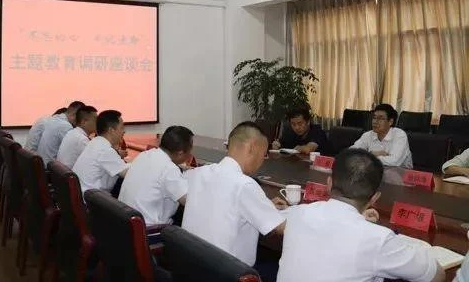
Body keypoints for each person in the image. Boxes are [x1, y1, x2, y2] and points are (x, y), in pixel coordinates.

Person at [277, 149, 444, 282]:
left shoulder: (298, 213)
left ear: (329, 183)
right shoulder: (378, 239)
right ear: (374, 198)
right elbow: (436, 275)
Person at [182, 121, 287, 277]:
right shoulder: (244, 185)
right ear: (252, 148)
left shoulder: (197, 173)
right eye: (264, 154)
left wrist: (264, 204)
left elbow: (220, 202)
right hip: (228, 274)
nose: (263, 160)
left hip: (191, 269)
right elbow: (280, 228)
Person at [118, 125, 193, 226]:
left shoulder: (145, 155)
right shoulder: (169, 169)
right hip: (149, 230)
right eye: (190, 150)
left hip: (125, 223)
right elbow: (190, 202)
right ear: (180, 153)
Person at [72, 110, 130, 194]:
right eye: (122, 127)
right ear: (111, 130)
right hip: (92, 199)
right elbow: (127, 174)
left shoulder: (95, 142)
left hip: (84, 194)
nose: (124, 131)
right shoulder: (104, 150)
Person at [351, 103, 413, 168]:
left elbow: (394, 161)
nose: (375, 121)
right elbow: (351, 153)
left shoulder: (400, 135)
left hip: (402, 171)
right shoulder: (368, 135)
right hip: (375, 170)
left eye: (380, 118)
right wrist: (372, 153)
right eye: (374, 117)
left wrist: (366, 156)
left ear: (390, 122)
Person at [37, 101, 85, 165]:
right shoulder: (65, 126)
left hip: (44, 163)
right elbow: (73, 149)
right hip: (50, 167)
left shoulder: (54, 119)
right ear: (74, 115)